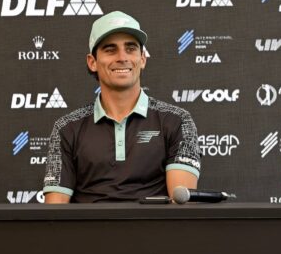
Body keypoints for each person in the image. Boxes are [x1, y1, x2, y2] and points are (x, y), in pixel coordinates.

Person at [43, 11, 201, 203]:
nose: (122, 57)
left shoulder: (177, 120)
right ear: (92, 62)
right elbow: (55, 213)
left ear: (142, 59)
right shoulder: (66, 128)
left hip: (154, 231)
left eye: (131, 48)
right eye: (110, 49)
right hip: (86, 233)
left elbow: (181, 203)